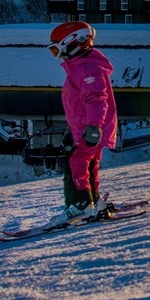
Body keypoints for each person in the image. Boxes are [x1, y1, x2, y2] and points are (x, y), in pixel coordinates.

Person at [46, 21, 118, 227]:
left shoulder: (86, 68)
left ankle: (80, 205)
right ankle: (93, 203)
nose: (58, 55)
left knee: (75, 163)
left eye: (57, 49)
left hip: (91, 127)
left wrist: (94, 125)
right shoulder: (80, 66)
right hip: (86, 127)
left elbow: (96, 98)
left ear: (74, 42)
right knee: (89, 164)